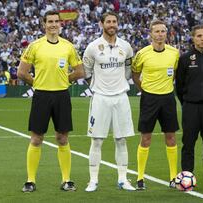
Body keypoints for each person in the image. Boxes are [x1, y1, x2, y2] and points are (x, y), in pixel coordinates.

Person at [17, 11, 85, 192]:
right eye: (50, 21)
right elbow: (22, 73)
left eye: (56, 21)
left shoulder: (68, 46)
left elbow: (80, 72)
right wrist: (37, 83)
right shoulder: (34, 46)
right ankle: (30, 181)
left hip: (62, 95)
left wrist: (65, 80)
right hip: (41, 96)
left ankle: (67, 180)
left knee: (62, 138)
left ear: (60, 24)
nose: (54, 24)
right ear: (44, 24)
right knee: (37, 138)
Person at [82, 11, 136, 192]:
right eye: (108, 22)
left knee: (121, 140)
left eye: (114, 21)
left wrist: (119, 84)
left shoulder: (126, 46)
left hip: (121, 97)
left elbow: (128, 70)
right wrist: (98, 87)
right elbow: (87, 72)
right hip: (100, 98)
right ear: (101, 24)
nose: (112, 24)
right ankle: (93, 181)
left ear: (118, 23)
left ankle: (123, 179)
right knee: (96, 140)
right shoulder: (93, 47)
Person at [132, 20, 179, 190]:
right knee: (145, 138)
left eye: (163, 31)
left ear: (167, 34)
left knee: (171, 137)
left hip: (167, 98)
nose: (160, 34)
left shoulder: (174, 53)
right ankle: (140, 177)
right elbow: (135, 73)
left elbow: (174, 73)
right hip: (149, 99)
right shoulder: (142, 53)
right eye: (157, 31)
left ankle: (173, 177)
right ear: (150, 34)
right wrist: (144, 89)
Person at [175, 25, 203, 188]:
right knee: (188, 144)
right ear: (193, 38)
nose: (202, 38)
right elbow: (179, 85)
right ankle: (187, 177)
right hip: (191, 107)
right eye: (199, 36)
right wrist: (187, 102)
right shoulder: (185, 58)